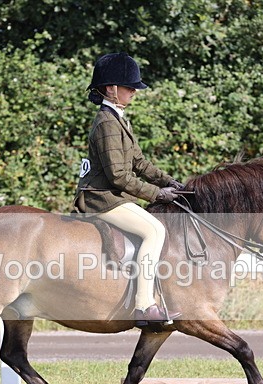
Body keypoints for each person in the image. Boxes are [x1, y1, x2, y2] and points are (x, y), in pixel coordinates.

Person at [73, 52, 183, 325]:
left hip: (113, 195)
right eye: (129, 87)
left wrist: (168, 181)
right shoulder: (106, 123)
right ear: (111, 88)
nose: (134, 91)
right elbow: (119, 177)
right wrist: (158, 194)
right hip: (101, 197)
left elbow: (139, 162)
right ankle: (144, 306)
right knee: (155, 230)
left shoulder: (119, 119)